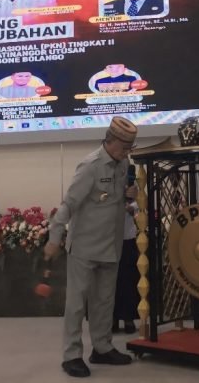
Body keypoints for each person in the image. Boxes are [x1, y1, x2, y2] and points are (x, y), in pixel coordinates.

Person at [44, 116, 139, 378]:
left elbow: (116, 201)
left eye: (129, 148)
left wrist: (130, 196)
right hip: (85, 246)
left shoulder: (123, 164)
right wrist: (54, 239)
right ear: (110, 141)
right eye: (124, 147)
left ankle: (102, 347)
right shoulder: (90, 166)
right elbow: (68, 205)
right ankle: (72, 355)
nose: (127, 152)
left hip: (111, 245)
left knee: (104, 302)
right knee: (76, 304)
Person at [112, 173, 139, 335]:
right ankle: (112, 318)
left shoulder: (131, 182)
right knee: (110, 280)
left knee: (128, 279)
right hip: (108, 238)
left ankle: (128, 318)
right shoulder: (104, 178)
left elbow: (140, 203)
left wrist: (132, 208)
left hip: (127, 237)